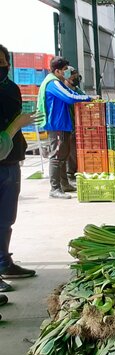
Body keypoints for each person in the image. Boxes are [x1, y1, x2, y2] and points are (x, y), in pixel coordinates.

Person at [0, 44, 39, 292]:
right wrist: (15, 126)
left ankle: (4, 262)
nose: (1, 67)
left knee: (6, 219)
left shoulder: (10, 88)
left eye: (2, 61)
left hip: (10, 161)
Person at [36, 57, 92, 199]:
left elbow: (73, 93)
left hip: (62, 123)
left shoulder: (56, 81)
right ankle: (54, 188)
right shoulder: (53, 82)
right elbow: (69, 97)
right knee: (57, 155)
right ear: (57, 71)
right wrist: (87, 98)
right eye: (65, 70)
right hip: (57, 124)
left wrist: (85, 96)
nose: (68, 73)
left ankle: (64, 184)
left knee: (63, 155)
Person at [63, 67, 84, 186]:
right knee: (69, 151)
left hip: (77, 125)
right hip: (68, 124)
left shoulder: (77, 90)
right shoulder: (65, 90)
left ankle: (74, 173)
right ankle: (69, 175)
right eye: (73, 76)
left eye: (76, 75)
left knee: (75, 150)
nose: (75, 78)